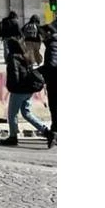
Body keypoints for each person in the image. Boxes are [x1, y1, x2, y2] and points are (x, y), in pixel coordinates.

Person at [0, 34, 52, 146]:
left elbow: (14, 75)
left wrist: (12, 87)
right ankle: (46, 132)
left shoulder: (13, 57)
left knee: (12, 114)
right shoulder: (26, 55)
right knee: (26, 113)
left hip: (19, 90)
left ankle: (13, 137)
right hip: (28, 89)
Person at [40, 20, 57, 148]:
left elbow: (51, 65)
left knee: (55, 107)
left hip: (54, 82)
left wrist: (38, 72)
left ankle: (55, 133)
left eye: (43, 34)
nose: (42, 37)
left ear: (49, 33)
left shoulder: (52, 45)